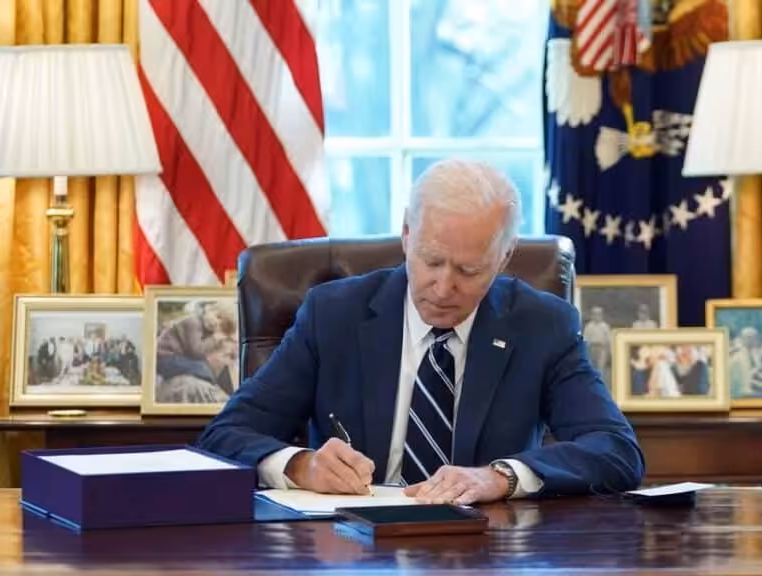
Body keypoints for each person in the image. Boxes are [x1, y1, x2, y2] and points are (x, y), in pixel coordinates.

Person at [196, 159, 645, 505]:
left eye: (469, 270)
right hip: (350, 551)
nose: (444, 286)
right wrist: (300, 465)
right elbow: (225, 436)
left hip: (486, 550)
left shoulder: (542, 325)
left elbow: (616, 451)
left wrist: (500, 476)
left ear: (505, 257)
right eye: (431, 260)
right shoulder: (333, 314)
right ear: (408, 235)